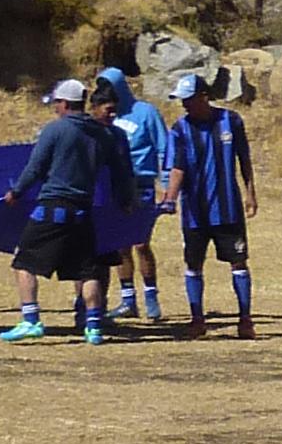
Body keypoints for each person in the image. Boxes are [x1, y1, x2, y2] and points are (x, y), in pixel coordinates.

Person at [1, 79, 119, 344]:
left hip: (53, 207)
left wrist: (16, 192)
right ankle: (94, 327)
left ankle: (30, 320)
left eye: (56, 103)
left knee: (23, 262)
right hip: (84, 210)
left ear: (65, 104)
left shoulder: (55, 130)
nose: (55, 108)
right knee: (88, 270)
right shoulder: (101, 134)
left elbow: (35, 168)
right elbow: (117, 170)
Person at [171, 73, 260, 336]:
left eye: (189, 99)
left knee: (238, 262)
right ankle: (197, 319)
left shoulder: (230, 121)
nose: (185, 105)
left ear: (204, 96)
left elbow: (244, 159)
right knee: (193, 264)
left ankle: (245, 319)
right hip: (194, 213)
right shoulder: (179, 129)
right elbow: (177, 168)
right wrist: (169, 198)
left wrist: (251, 193)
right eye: (182, 101)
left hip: (227, 209)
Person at [106, 69, 177, 330]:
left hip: (142, 186)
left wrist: (167, 186)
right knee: (119, 246)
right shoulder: (108, 115)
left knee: (140, 243)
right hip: (115, 187)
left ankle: (151, 297)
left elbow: (163, 148)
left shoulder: (146, 112)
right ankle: (127, 300)